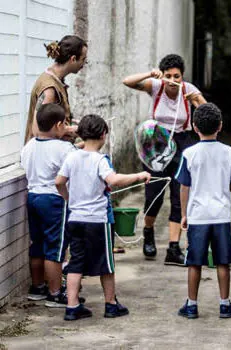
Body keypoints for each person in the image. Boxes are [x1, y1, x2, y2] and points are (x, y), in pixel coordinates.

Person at [56, 115, 151, 321]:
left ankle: (72, 306)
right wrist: (139, 176)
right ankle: (110, 304)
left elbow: (59, 181)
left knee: (76, 262)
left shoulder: (71, 157)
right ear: (103, 135)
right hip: (98, 221)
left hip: (75, 219)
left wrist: (68, 198)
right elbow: (113, 180)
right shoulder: (100, 160)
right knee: (106, 264)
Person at [123, 54, 207, 265]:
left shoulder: (188, 89)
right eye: (168, 76)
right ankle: (148, 231)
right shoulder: (156, 86)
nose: (172, 81)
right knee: (155, 194)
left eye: (176, 76)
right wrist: (151, 74)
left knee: (179, 195)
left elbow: (208, 112)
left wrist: (196, 102)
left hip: (182, 141)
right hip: (156, 142)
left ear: (182, 76)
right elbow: (128, 81)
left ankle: (173, 247)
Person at [176, 103, 231, 319]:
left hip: (198, 215)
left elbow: (184, 186)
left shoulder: (189, 154)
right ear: (220, 126)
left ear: (194, 127)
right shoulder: (228, 152)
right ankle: (224, 304)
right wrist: (222, 186)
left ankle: (192, 305)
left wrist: (184, 214)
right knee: (222, 261)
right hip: (221, 214)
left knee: (194, 262)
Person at [21, 105, 77, 305]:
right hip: (54, 200)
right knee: (55, 247)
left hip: (33, 196)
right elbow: (72, 170)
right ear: (59, 124)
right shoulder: (64, 149)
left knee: (37, 244)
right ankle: (55, 293)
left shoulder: (29, 146)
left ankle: (38, 287)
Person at [24, 35, 88, 144]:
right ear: (73, 59)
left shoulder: (56, 80)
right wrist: (70, 129)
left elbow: (52, 119)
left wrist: (72, 123)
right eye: (83, 59)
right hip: (44, 157)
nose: (84, 64)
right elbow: (38, 130)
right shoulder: (49, 89)